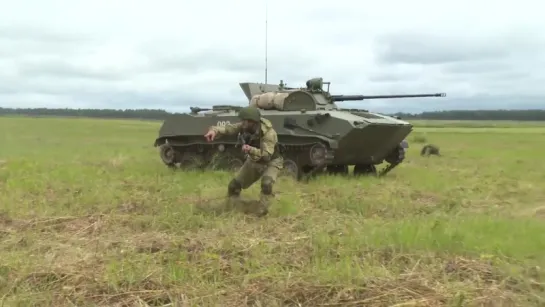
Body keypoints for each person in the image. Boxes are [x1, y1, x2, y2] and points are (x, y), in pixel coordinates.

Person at [204, 106, 283, 217]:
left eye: (245, 120)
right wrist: (214, 130)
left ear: (252, 121)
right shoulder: (245, 127)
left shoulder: (269, 133)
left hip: (271, 162)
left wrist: (250, 149)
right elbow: (229, 128)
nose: (242, 123)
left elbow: (266, 155)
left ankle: (263, 211)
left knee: (266, 184)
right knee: (233, 186)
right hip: (254, 160)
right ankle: (233, 207)